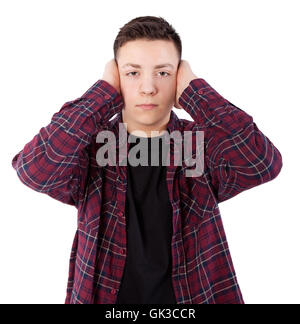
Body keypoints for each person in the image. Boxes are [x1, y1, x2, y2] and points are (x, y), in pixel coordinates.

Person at [11, 16, 283, 304]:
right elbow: (33, 170)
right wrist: (102, 94)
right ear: (117, 77)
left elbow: (262, 163)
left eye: (163, 73)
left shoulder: (200, 145)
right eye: (132, 73)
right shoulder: (90, 148)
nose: (148, 87)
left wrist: (196, 91)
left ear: (178, 77)